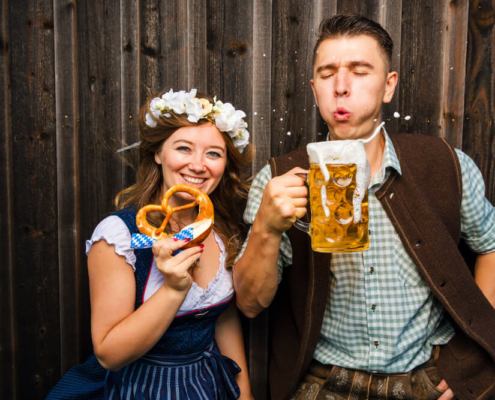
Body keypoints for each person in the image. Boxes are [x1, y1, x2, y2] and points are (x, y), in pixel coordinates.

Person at [233, 14, 495, 400]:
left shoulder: (445, 166)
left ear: (388, 86)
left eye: (359, 71)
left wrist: (473, 353)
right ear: (314, 88)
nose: (341, 87)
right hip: (323, 384)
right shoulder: (277, 181)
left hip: (425, 380)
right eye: (327, 73)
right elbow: (250, 305)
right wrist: (266, 229)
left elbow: (490, 245)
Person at [47, 89, 254, 399]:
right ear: (158, 153)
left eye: (213, 153)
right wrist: (172, 289)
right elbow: (109, 355)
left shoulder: (221, 230)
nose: (198, 165)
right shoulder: (120, 236)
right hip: (138, 388)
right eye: (184, 148)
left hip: (207, 384)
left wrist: (245, 394)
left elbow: (222, 317)